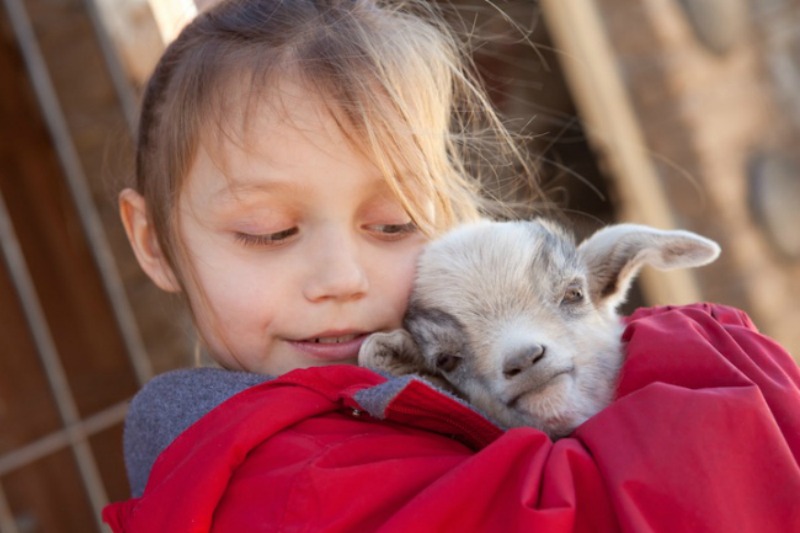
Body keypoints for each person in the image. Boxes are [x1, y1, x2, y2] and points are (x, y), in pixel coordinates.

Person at [103, 0, 800, 531]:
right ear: (154, 242)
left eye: (393, 223)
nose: (342, 276)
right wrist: (710, 347)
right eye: (270, 230)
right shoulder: (292, 484)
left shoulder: (395, 415)